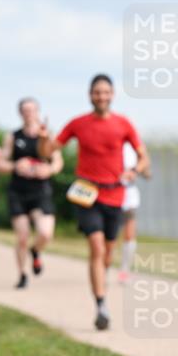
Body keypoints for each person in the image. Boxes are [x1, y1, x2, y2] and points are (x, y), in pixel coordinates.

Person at [38, 74, 150, 330]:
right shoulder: (78, 124)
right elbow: (47, 152)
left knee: (108, 252)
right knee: (97, 248)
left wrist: (135, 170)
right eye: (97, 92)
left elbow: (144, 157)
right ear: (90, 95)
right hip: (87, 194)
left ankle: (102, 284)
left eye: (105, 92)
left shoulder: (124, 124)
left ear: (112, 95)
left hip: (115, 194)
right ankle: (101, 306)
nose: (101, 96)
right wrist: (44, 138)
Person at [0, 97, 63, 289]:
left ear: (37, 112)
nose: (28, 113)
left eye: (32, 110)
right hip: (18, 192)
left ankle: (35, 251)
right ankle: (22, 274)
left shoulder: (46, 136)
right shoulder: (13, 136)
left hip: (40, 191)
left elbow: (58, 162)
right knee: (22, 235)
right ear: (20, 113)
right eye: (25, 110)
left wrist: (49, 170)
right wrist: (14, 166)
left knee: (45, 233)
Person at [116, 142, 150, 284]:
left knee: (129, 235)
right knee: (108, 235)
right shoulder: (111, 144)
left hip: (129, 195)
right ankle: (102, 266)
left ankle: (125, 269)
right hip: (109, 193)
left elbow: (147, 172)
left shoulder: (136, 146)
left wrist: (137, 170)